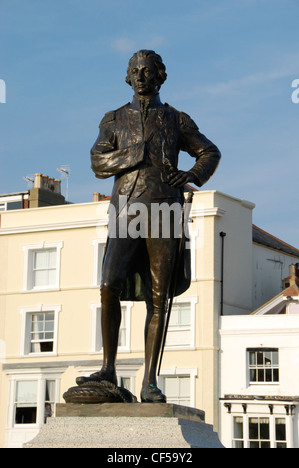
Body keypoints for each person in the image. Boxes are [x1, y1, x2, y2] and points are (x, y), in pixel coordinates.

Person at [81, 50, 221, 402]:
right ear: (128, 77)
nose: (141, 76)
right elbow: (98, 162)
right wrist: (135, 155)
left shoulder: (176, 119)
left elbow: (209, 152)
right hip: (125, 209)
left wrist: (190, 175)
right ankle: (108, 369)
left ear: (160, 76)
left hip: (165, 210)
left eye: (148, 70)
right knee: (109, 283)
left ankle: (149, 381)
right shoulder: (113, 119)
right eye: (135, 71)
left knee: (159, 297)